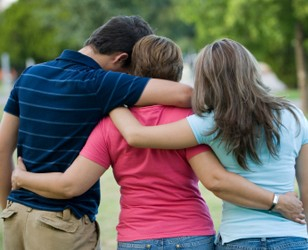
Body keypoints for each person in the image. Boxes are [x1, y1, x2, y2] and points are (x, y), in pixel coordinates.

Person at [12, 36, 305, 250]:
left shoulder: (116, 124)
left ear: (133, 70)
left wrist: (22, 177)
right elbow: (215, 178)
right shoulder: (194, 119)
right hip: (194, 234)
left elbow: (70, 184)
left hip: (137, 238)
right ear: (178, 72)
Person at [0, 16, 193, 250]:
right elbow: (185, 94)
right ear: (121, 58)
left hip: (15, 217)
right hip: (61, 224)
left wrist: (9, 207)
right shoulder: (101, 82)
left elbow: (2, 148)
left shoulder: (30, 75)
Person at [107, 38, 308, 249]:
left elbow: (136, 135)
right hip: (292, 236)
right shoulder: (294, 116)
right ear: (250, 68)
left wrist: (112, 101)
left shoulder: (208, 124)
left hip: (239, 238)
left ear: (206, 79)